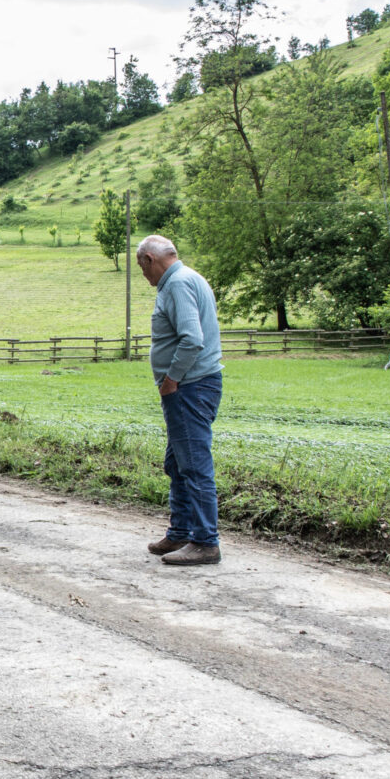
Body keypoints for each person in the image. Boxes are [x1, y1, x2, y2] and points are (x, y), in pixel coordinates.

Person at [136, 235, 223, 565]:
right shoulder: (188, 278)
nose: (144, 277)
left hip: (190, 387)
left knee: (193, 464)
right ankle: (182, 532)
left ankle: (205, 542)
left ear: (149, 259)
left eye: (142, 268)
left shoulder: (177, 284)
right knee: (178, 462)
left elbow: (191, 339)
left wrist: (171, 379)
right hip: (194, 386)